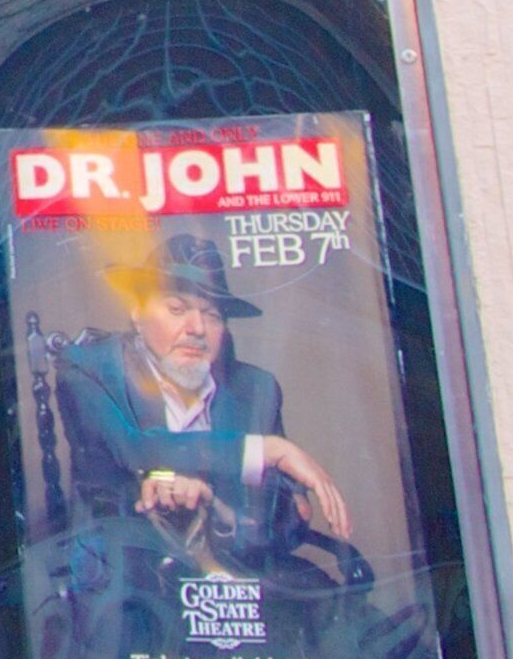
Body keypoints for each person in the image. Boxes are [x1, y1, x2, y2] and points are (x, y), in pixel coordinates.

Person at [48, 232, 349, 558]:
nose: (197, 328)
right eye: (177, 308)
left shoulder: (255, 389)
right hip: (123, 570)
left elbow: (291, 518)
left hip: (233, 573)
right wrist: (266, 450)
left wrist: (215, 508)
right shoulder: (88, 369)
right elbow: (132, 448)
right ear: (138, 312)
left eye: (212, 315)